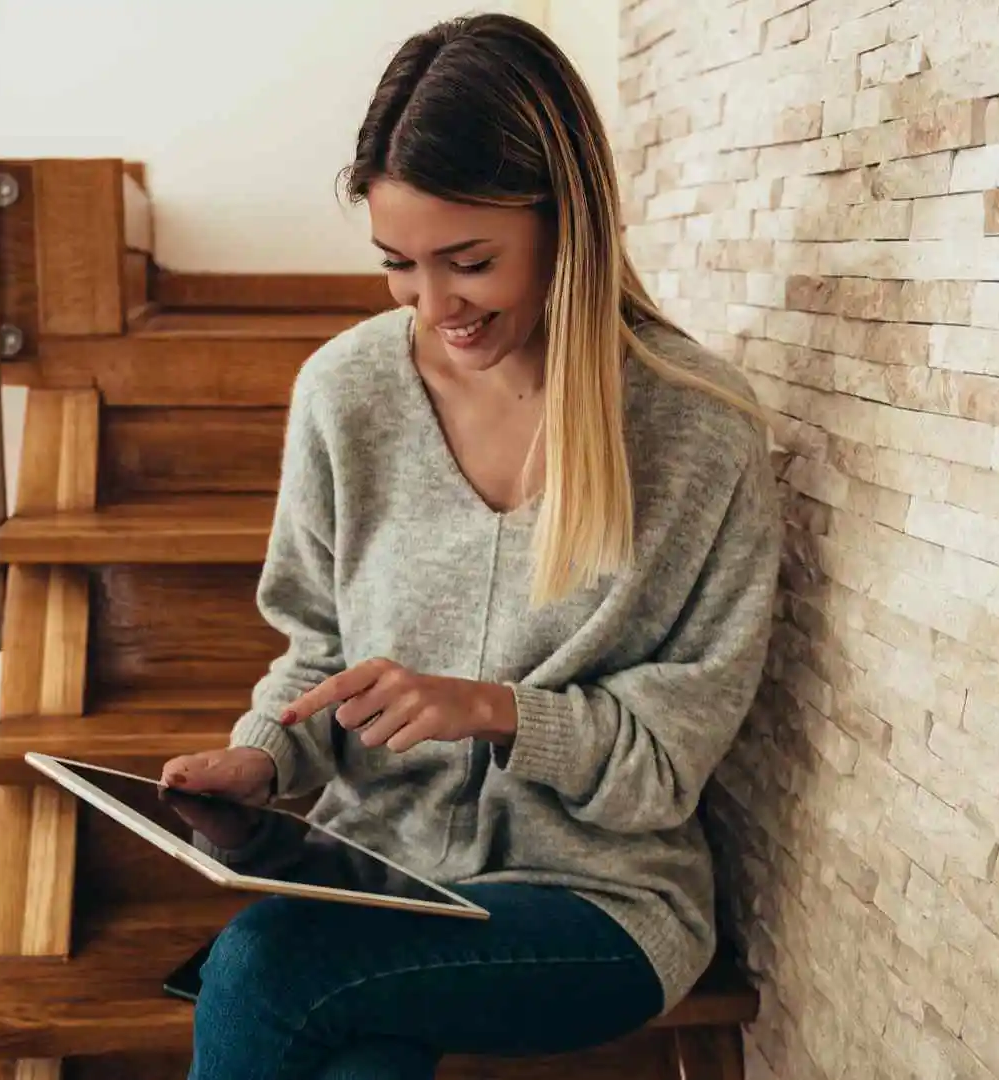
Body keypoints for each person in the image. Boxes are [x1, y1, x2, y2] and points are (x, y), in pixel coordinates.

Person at [158, 13, 781, 1080]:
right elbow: (314, 650)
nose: (432, 305)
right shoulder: (345, 392)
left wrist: (496, 710)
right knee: (346, 1042)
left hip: (600, 904)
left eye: (470, 261)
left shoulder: (699, 430)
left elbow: (667, 765)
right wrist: (262, 753)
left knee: (263, 963)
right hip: (382, 879)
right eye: (398, 263)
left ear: (565, 223)